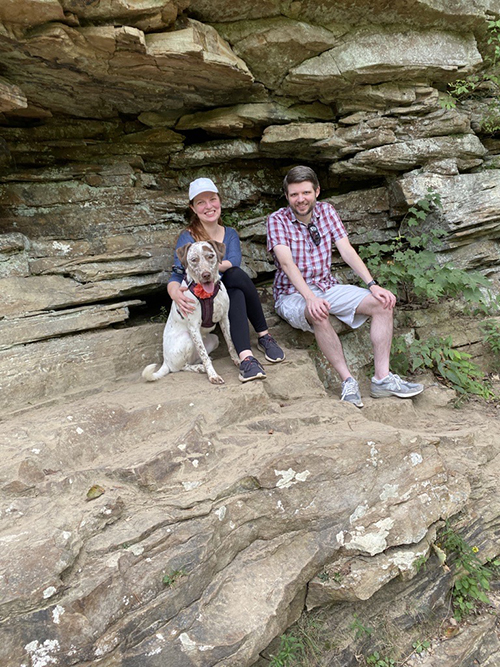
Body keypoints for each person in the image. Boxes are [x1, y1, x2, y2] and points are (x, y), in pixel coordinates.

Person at [266, 165, 423, 407]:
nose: (301, 199)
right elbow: (286, 263)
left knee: (383, 304)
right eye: (294, 194)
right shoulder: (277, 220)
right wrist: (309, 298)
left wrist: (372, 285)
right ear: (287, 196)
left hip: (327, 286)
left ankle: (382, 379)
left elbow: (347, 250)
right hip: (293, 294)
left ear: (317, 191)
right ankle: (348, 381)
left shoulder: (327, 211)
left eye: (306, 192)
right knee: (318, 313)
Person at [168, 177, 285, 382]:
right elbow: (177, 273)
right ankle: (255, 346)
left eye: (212, 199)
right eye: (200, 202)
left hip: (223, 290)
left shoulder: (229, 234)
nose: (208, 206)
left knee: (235, 280)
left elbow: (233, 262)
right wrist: (174, 292)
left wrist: (207, 265)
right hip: (201, 298)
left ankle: (253, 350)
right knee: (236, 284)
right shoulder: (188, 238)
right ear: (193, 208)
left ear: (220, 201)